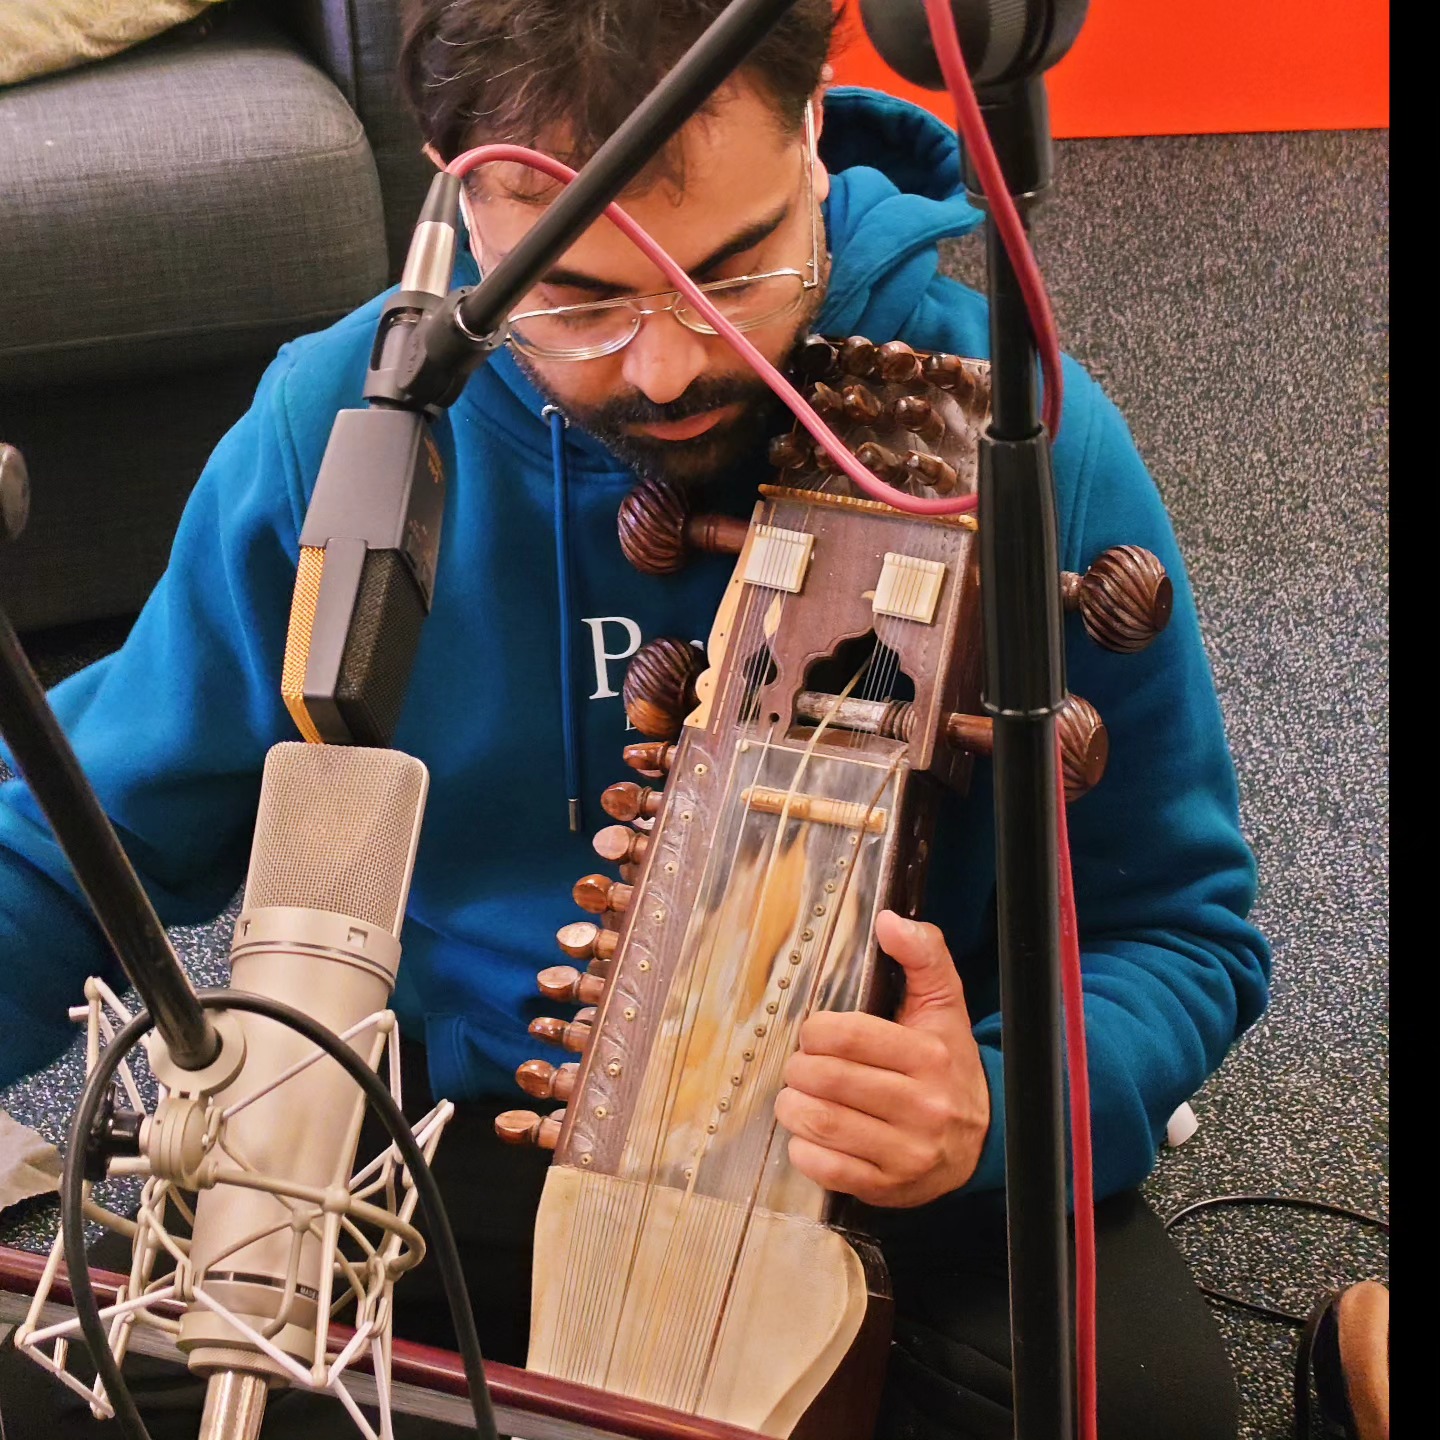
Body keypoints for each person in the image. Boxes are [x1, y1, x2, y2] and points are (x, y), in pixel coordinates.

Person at [0, 2, 1270, 1436]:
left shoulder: (1016, 430)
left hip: (894, 1145)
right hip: (453, 1136)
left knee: (1147, 1410)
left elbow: (1181, 927)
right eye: (580, 297)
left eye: (734, 271)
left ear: (809, 122)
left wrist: (990, 1108)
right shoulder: (337, 431)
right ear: (454, 184)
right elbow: (66, 842)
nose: (666, 368)